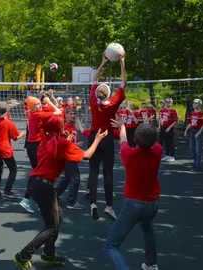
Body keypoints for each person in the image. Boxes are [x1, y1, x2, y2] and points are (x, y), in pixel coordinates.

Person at [13, 116, 107, 269]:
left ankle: (48, 254)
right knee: (51, 227)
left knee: (59, 216)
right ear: (59, 128)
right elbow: (87, 155)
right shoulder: (61, 144)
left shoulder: (46, 141)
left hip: (35, 185)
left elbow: (58, 150)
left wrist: (69, 143)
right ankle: (23, 256)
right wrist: (97, 139)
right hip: (44, 188)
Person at [105, 119, 162, 270]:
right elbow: (151, 139)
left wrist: (122, 126)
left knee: (111, 245)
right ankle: (151, 263)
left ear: (135, 139)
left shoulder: (129, 155)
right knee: (147, 226)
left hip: (133, 205)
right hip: (152, 204)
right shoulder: (158, 150)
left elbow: (123, 140)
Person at [88, 52, 126, 221]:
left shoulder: (92, 101)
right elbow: (124, 82)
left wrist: (103, 63)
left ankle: (93, 204)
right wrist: (122, 63)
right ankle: (109, 206)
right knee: (108, 172)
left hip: (94, 137)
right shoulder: (112, 104)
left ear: (96, 93)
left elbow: (94, 80)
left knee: (93, 171)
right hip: (107, 138)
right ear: (109, 94)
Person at [20, 95, 61, 213]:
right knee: (39, 174)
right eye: (37, 104)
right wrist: (49, 101)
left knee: (36, 173)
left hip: (31, 146)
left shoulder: (32, 114)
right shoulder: (38, 114)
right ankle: (29, 198)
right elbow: (57, 111)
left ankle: (33, 199)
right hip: (36, 146)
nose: (40, 105)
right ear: (32, 107)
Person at [0, 102, 26, 199]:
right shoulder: (9, 123)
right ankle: (7, 190)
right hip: (5, 149)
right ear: (7, 111)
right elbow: (15, 137)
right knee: (13, 169)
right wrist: (23, 134)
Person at [55, 107, 85, 210]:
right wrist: (76, 144)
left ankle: (55, 194)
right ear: (66, 115)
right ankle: (71, 202)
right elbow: (63, 143)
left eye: (74, 114)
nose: (73, 115)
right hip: (68, 155)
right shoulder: (65, 127)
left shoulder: (73, 127)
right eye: (71, 114)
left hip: (72, 154)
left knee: (68, 177)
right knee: (75, 178)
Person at [184, 98, 203, 171]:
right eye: (193, 103)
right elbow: (190, 123)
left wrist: (199, 133)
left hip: (198, 130)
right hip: (192, 131)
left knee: (198, 149)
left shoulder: (202, 113)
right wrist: (186, 131)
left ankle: (198, 165)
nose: (194, 104)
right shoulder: (192, 113)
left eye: (196, 103)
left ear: (199, 104)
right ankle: (195, 162)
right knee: (192, 148)